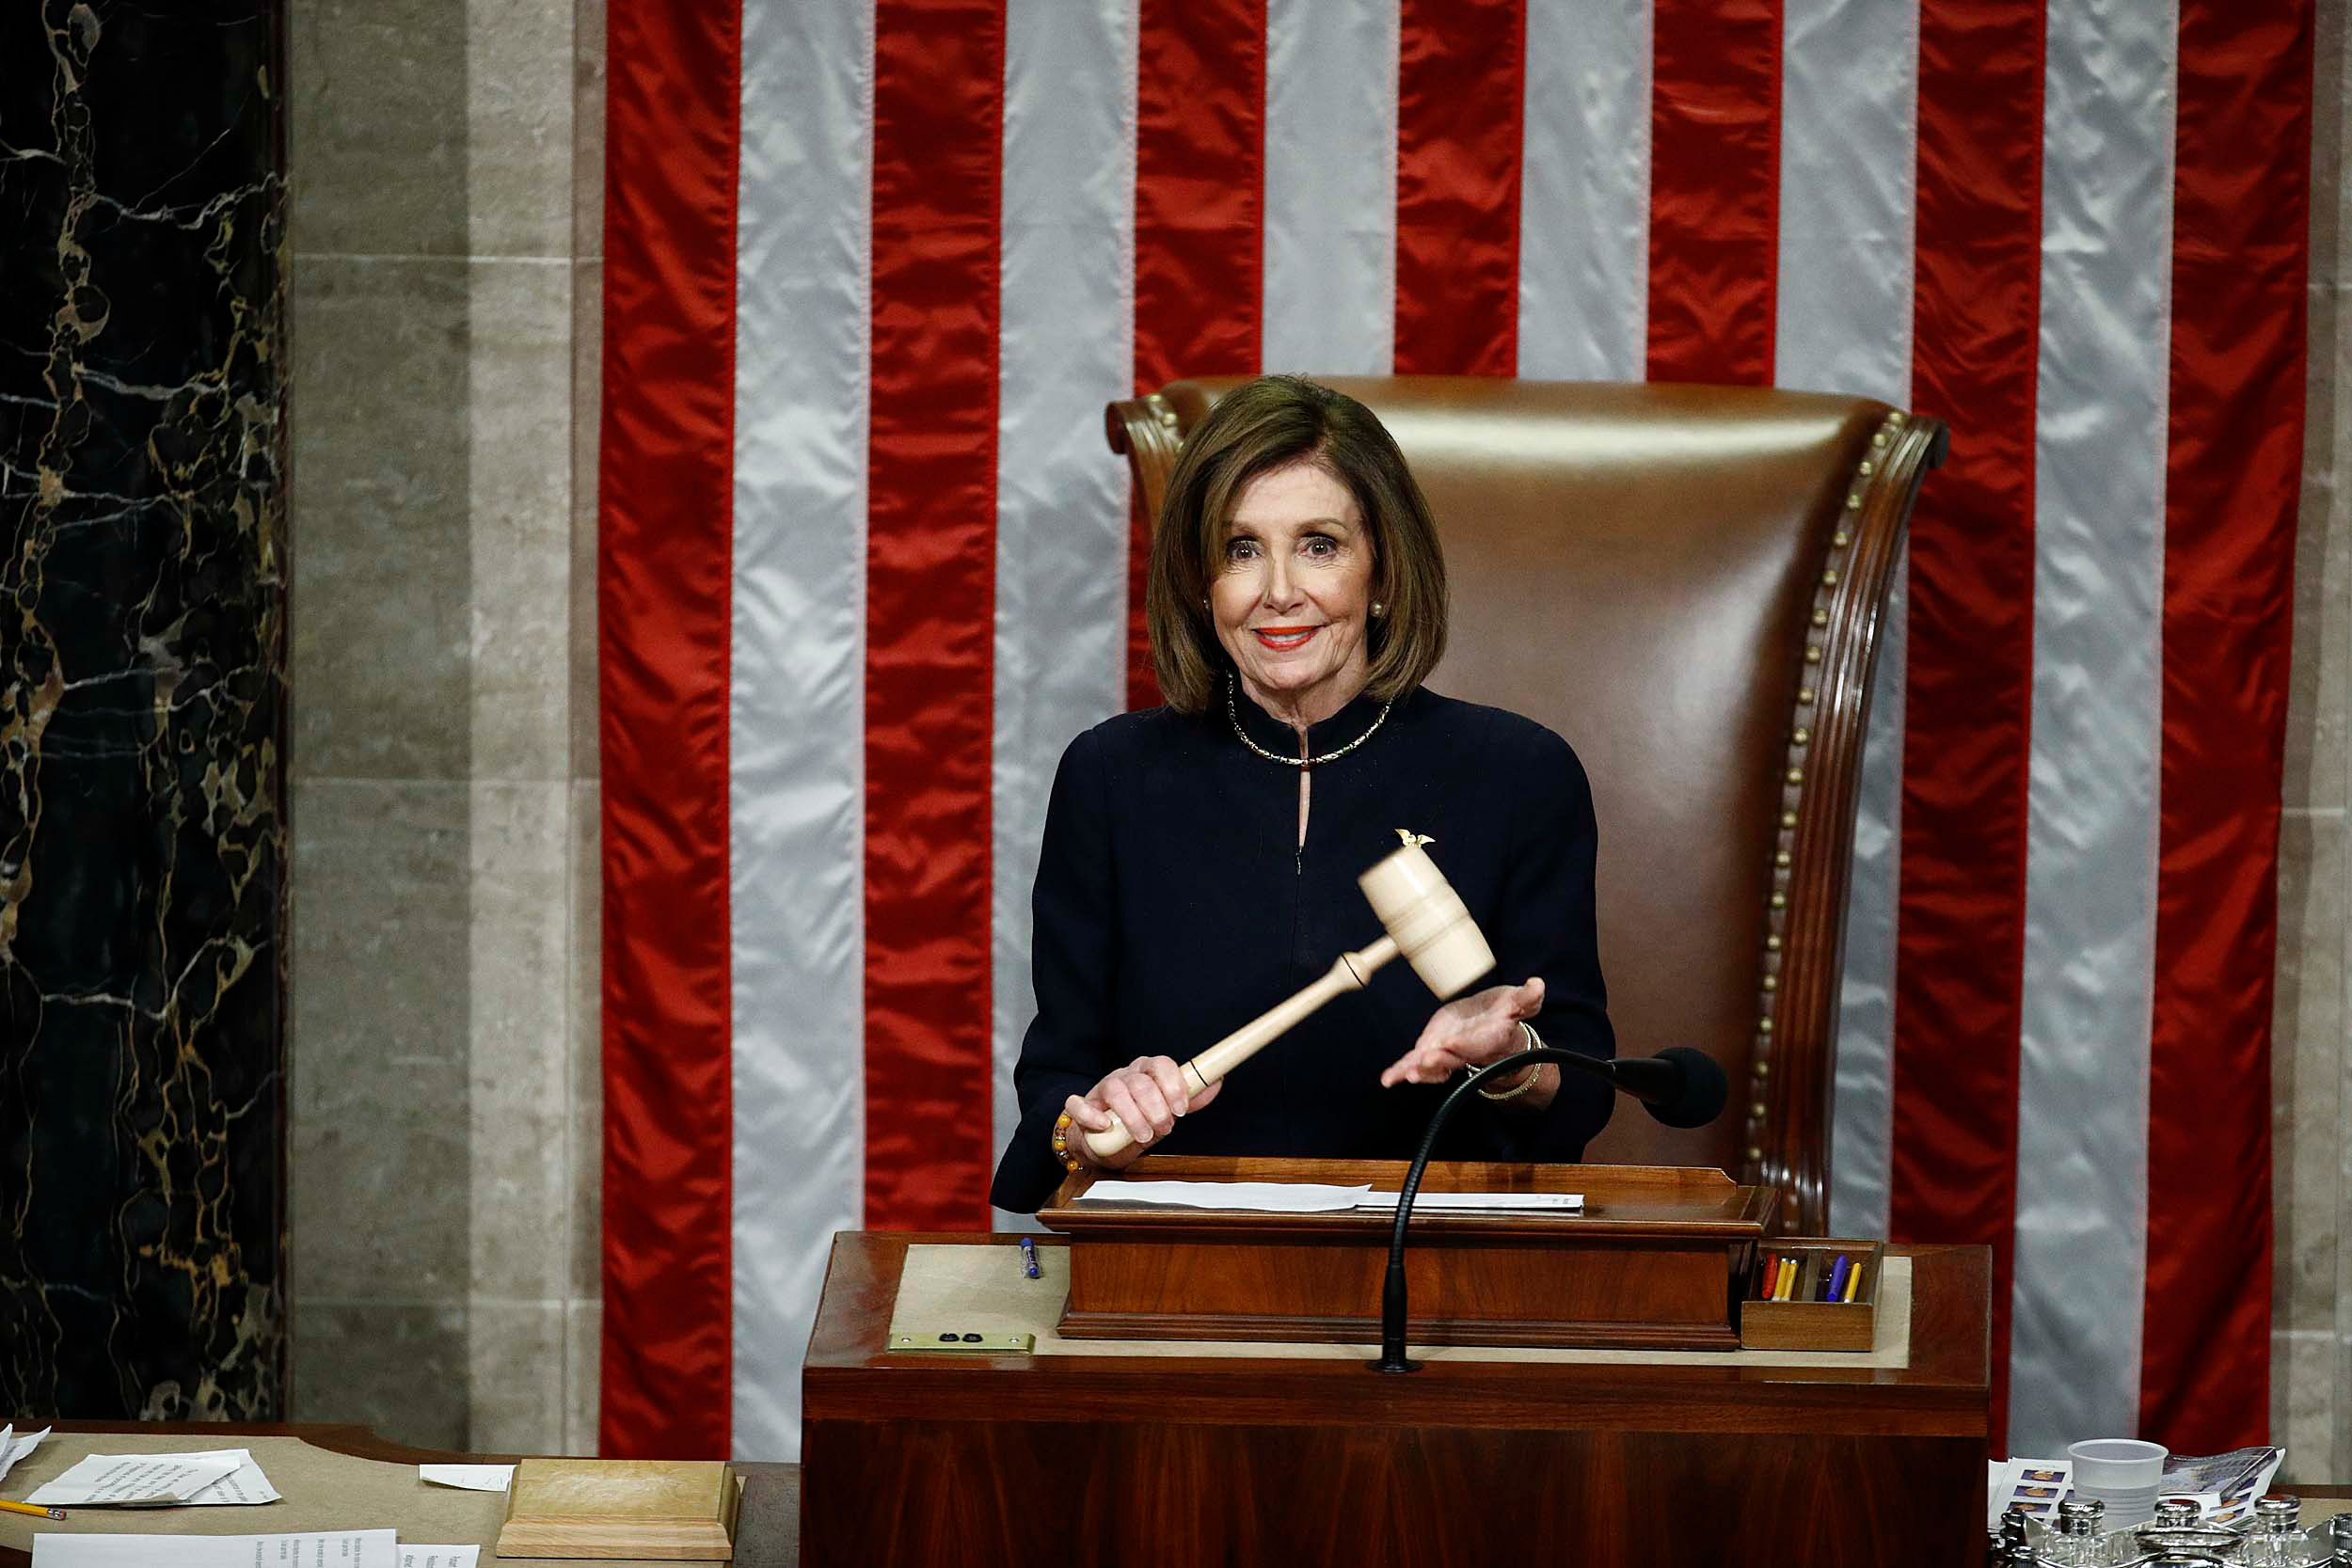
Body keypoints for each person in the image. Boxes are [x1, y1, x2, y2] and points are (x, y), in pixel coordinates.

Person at [988, 375, 1613, 1213]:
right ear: (1200, 583)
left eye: (1319, 544)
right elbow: (1057, 1083)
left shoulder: (1518, 774)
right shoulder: (1111, 778)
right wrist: (1093, 1115)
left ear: (1382, 568)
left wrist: (1515, 1056)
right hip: (1174, 1282)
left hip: (1430, 1275)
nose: (1279, 589)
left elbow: (1584, 1086)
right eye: (1241, 548)